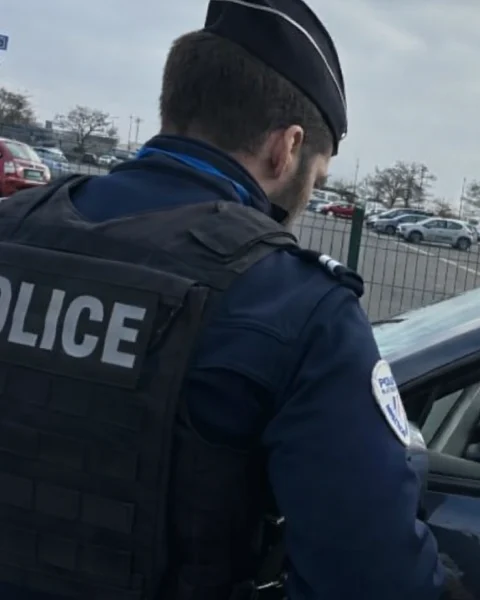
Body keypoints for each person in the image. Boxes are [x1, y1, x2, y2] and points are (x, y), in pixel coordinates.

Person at [0, 1, 443, 599]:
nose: (307, 198)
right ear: (285, 149)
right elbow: (376, 580)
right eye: (315, 179)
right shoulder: (296, 304)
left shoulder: (13, 225)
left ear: (174, 105)